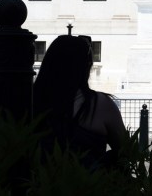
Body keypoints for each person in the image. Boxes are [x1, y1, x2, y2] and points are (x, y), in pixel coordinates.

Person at [33, 35, 125, 169]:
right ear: (85, 67)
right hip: (87, 186)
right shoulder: (99, 105)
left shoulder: (31, 99)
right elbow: (126, 151)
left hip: (38, 186)